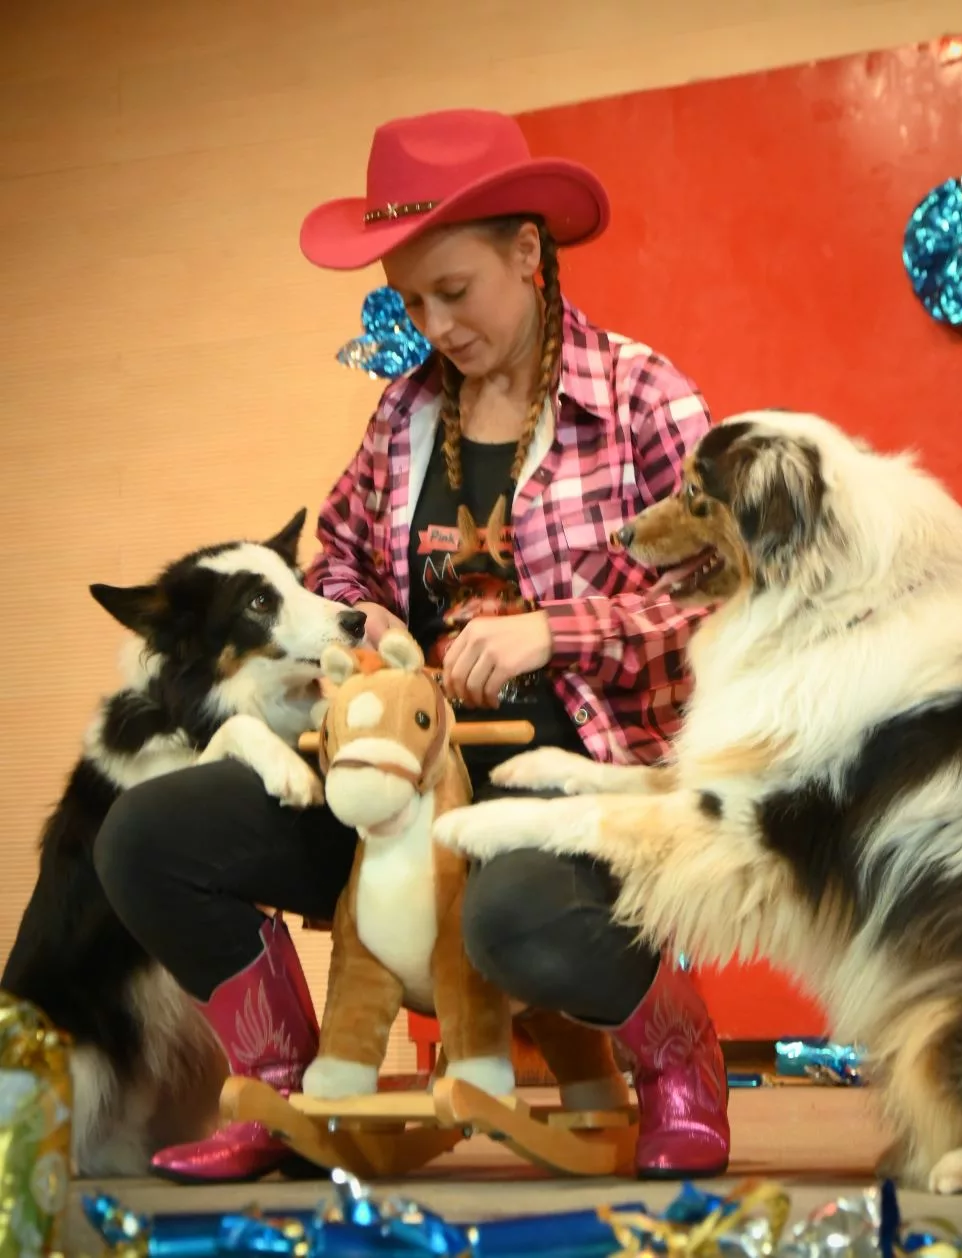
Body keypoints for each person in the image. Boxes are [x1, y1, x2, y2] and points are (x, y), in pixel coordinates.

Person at [92, 107, 730, 1183]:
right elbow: (333, 562)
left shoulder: (642, 400)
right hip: (395, 788)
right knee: (145, 836)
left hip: (573, 790)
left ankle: (678, 1056)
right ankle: (289, 1087)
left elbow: (728, 608)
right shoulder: (405, 418)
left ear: (528, 256)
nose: (433, 324)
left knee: (508, 912)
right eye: (409, 299)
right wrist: (364, 615)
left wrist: (554, 632)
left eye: (454, 291)